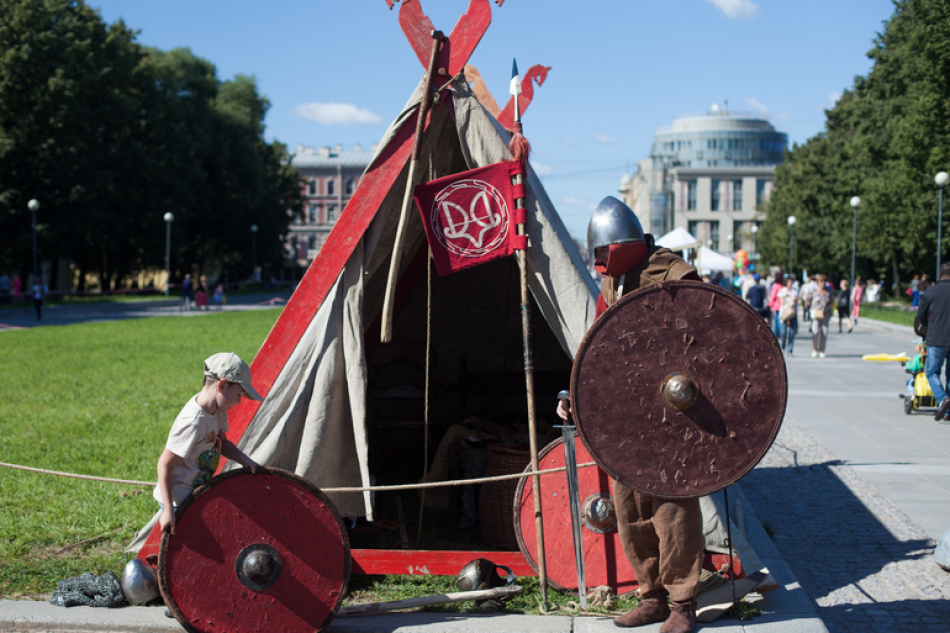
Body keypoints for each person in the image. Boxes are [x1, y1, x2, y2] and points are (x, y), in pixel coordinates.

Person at [556, 197, 703, 633]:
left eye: (604, 251)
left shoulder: (673, 273)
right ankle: (653, 595)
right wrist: (575, 391)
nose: (599, 260)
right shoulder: (613, 284)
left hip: (674, 414)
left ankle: (683, 604)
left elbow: (709, 337)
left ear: (626, 243)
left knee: (672, 505)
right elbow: (598, 347)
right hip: (631, 415)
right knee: (630, 505)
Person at [128, 353, 264, 551]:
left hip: (196, 493)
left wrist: (246, 460)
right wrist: (168, 510)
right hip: (178, 499)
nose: (239, 401)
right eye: (239, 394)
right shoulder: (193, 422)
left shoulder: (218, 411)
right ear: (222, 385)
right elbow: (164, 464)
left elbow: (222, 443)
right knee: (189, 551)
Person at [918, 262, 950, 421]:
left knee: (931, 372)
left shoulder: (931, 291)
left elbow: (921, 315)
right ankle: (949, 412)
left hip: (936, 337)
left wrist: (925, 325)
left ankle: (943, 399)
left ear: (941, 275)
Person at [810, 274, 832, 358]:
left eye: (824, 281)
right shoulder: (814, 292)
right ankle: (815, 348)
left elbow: (832, 301)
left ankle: (822, 350)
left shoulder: (828, 292)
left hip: (825, 314)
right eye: (821, 281)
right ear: (818, 282)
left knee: (824, 332)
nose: (823, 283)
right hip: (816, 314)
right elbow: (808, 300)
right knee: (815, 331)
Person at [777, 276, 799, 356]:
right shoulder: (782, 291)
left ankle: (790, 350)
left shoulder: (795, 291)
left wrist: (788, 298)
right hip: (784, 313)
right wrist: (790, 299)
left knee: (792, 333)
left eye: (791, 282)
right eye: (789, 282)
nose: (790, 283)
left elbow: (796, 299)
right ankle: (782, 347)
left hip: (792, 313)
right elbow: (782, 301)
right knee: (783, 332)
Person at [768, 271, 785, 337]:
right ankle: (780, 334)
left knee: (776, 321)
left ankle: (776, 335)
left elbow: (773, 296)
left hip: (776, 306)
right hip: (782, 306)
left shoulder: (775, 286)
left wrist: (770, 305)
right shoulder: (782, 286)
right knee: (780, 321)